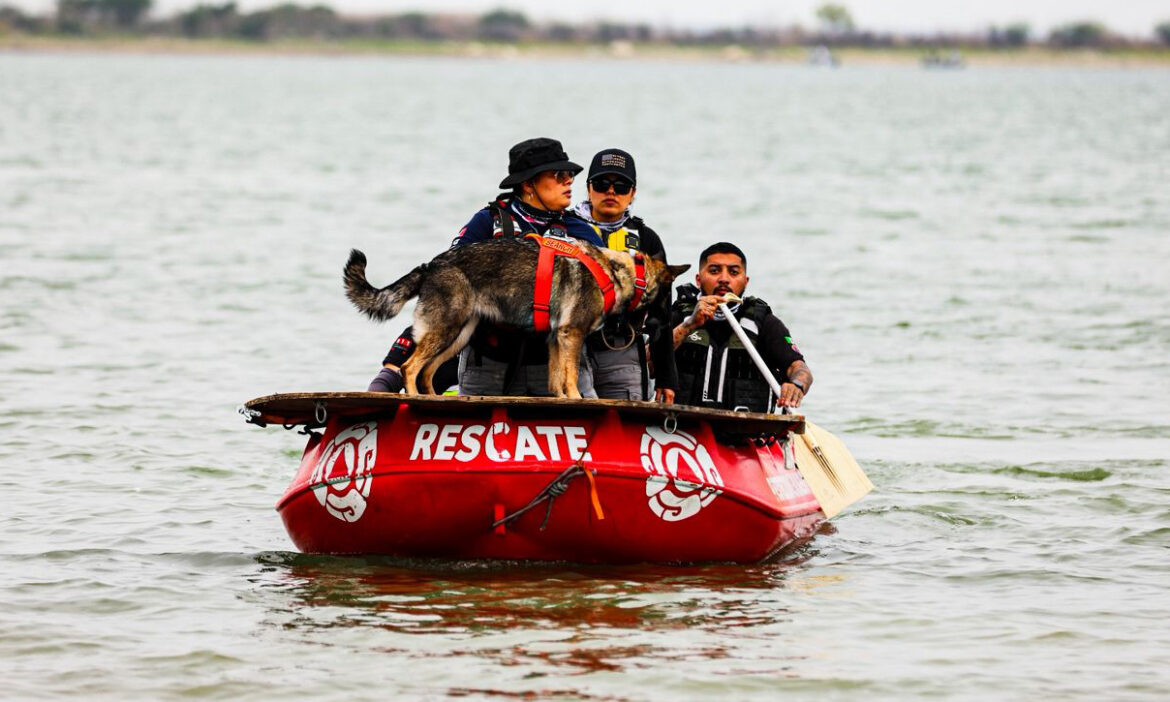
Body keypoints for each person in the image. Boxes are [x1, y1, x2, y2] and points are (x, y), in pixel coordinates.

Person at [367, 137, 603, 396]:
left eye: (570, 174)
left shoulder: (583, 234)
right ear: (528, 184)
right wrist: (392, 367)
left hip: (559, 368)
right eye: (559, 175)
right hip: (488, 367)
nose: (569, 180)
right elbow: (447, 293)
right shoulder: (486, 224)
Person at [570, 148, 677, 403]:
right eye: (601, 184)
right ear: (588, 188)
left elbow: (662, 313)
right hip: (568, 345)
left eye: (621, 186)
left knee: (626, 419)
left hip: (622, 346)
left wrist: (666, 378)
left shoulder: (647, 239)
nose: (610, 192)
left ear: (633, 194)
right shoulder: (564, 228)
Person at [670, 242, 812, 412]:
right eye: (714, 271)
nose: (724, 279)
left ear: (745, 281)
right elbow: (647, 364)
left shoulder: (765, 323)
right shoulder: (679, 316)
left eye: (734, 272)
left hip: (747, 432)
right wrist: (689, 325)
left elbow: (799, 368)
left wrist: (796, 386)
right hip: (681, 431)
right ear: (699, 280)